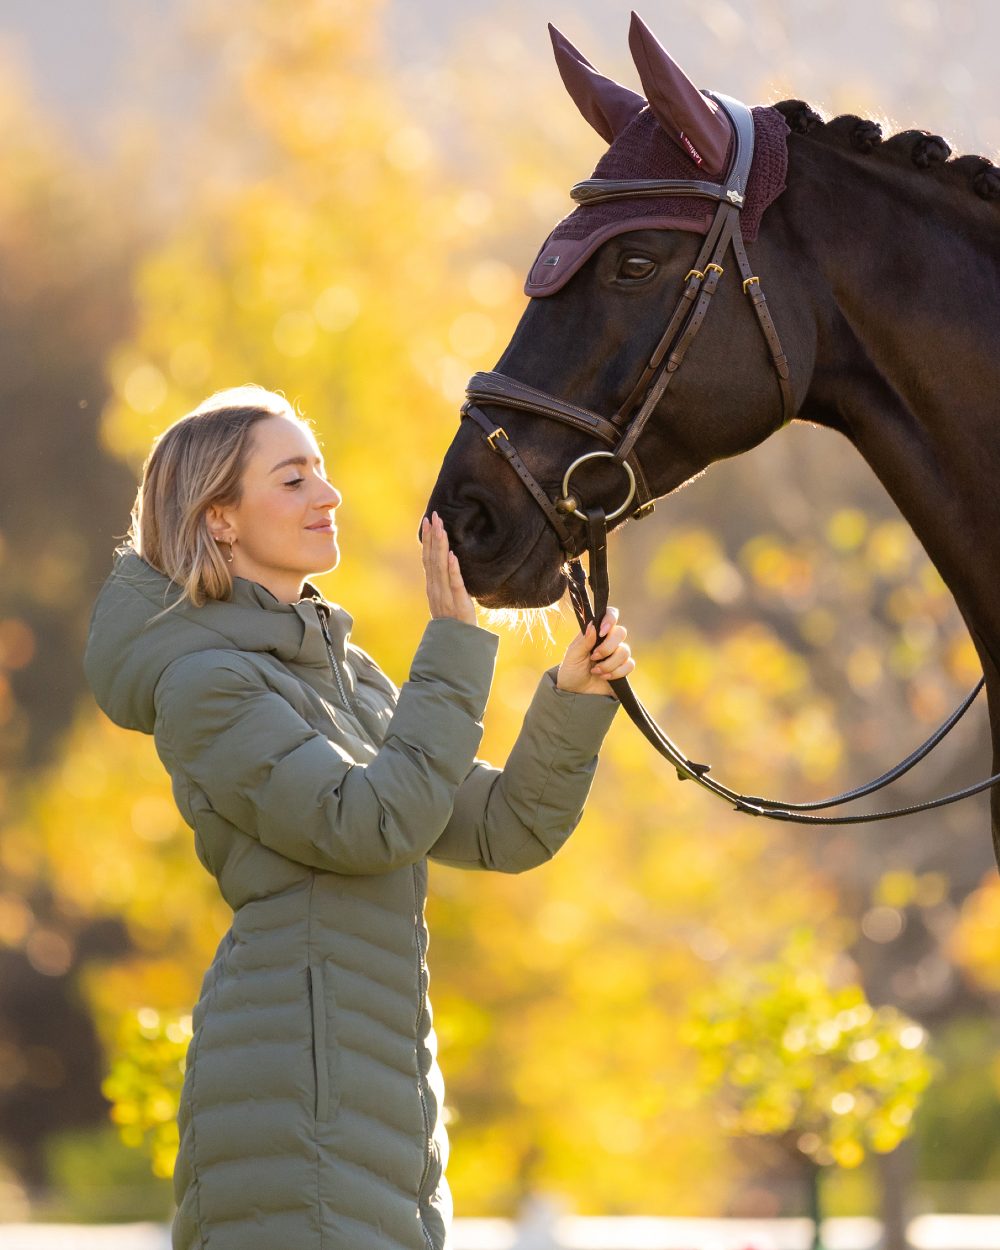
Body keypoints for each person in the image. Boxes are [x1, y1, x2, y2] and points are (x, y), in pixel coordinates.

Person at [82, 384, 634, 1250]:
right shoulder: (205, 683)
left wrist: (573, 697)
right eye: (293, 478)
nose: (328, 495)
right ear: (220, 519)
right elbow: (369, 822)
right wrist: (454, 641)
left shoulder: (340, 669)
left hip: (379, 1076)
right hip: (294, 1089)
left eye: (323, 472)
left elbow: (503, 828)